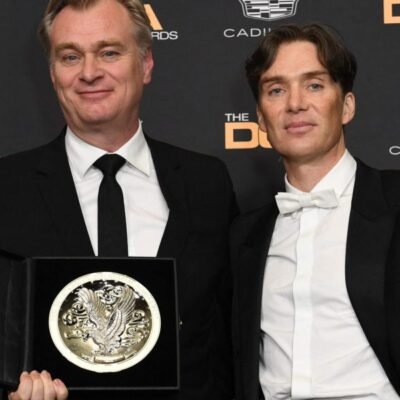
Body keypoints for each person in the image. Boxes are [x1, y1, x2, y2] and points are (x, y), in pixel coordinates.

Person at [0, 0, 238, 399]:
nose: (89, 72)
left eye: (109, 52)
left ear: (145, 64)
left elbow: (231, 335)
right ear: (53, 73)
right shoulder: (7, 188)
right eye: (70, 56)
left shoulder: (206, 183)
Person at [231, 23, 400, 399]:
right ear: (261, 118)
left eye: (314, 85)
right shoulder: (245, 237)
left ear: (347, 106)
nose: (295, 104)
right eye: (276, 90)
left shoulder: (395, 203)